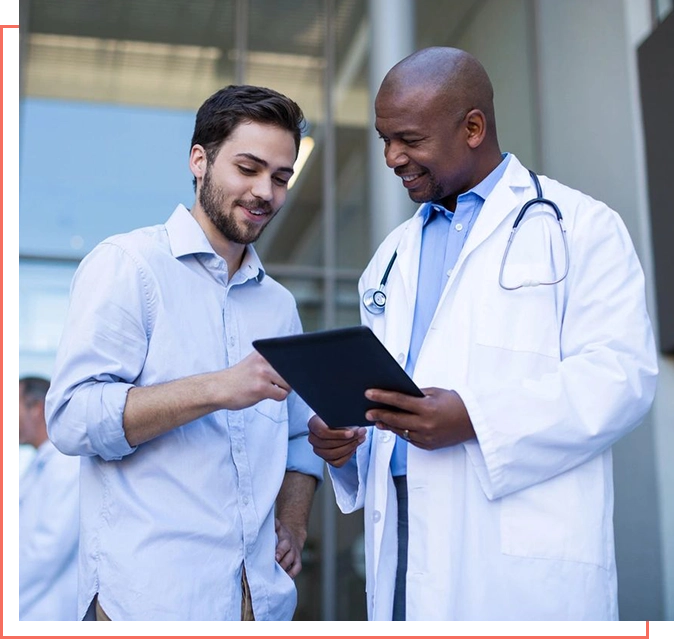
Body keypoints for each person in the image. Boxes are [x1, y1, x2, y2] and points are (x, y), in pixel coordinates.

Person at [308, 47, 658, 622]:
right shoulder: (391, 257)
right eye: (384, 140)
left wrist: (473, 418)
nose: (393, 157)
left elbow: (621, 377)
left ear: (473, 127)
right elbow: (381, 396)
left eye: (409, 139)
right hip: (401, 535)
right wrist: (345, 442)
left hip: (514, 553)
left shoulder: (580, 227)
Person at [45, 85, 324, 622]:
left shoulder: (279, 305)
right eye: (248, 168)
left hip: (258, 605)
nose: (265, 191)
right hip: (149, 604)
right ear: (200, 160)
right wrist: (215, 388)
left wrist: (293, 520)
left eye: (281, 176)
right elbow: (72, 418)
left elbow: (298, 435)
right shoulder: (129, 266)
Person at [18, 375, 79, 622]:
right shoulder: (38, 463)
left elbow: (48, 548)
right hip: (30, 604)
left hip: (47, 610)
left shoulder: (67, 464)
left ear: (36, 409)